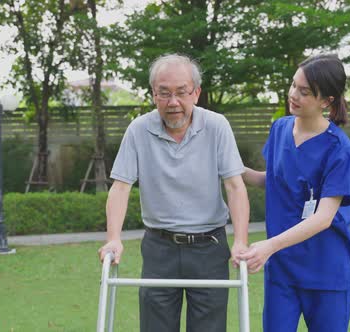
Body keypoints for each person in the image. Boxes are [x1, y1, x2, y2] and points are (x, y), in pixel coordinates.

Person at [97, 53, 250, 332]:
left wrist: (240, 240)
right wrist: (113, 239)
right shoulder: (138, 130)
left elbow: (235, 185)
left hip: (209, 247)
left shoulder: (217, 126)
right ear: (154, 95)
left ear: (196, 93)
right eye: (164, 93)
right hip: (159, 248)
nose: (173, 102)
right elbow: (120, 187)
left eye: (182, 92)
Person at [240, 54, 350, 332]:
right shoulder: (280, 128)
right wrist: (229, 168)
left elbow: (323, 217)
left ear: (326, 101)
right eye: (294, 85)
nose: (293, 94)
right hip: (283, 270)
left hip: (325, 272)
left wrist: (268, 246)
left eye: (304, 92)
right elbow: (273, 180)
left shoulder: (339, 149)